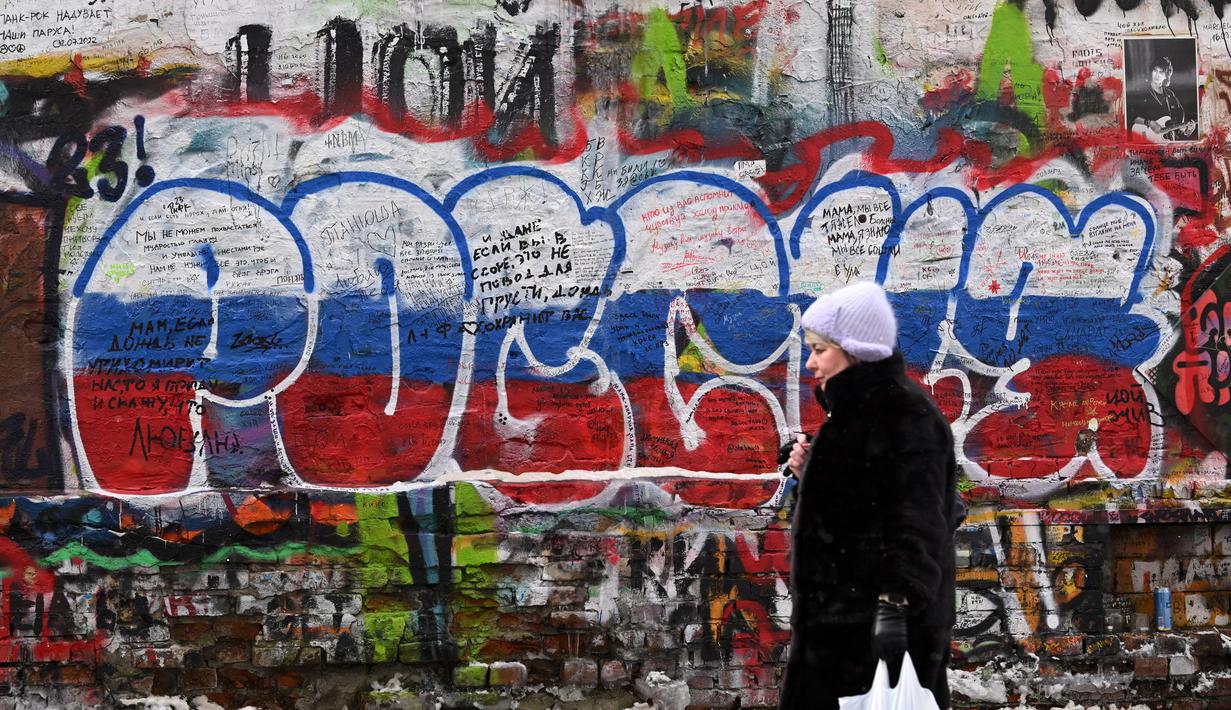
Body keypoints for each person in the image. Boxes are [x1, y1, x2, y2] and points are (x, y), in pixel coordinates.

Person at [778, 281, 958, 709]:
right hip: (835, 628)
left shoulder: (905, 415)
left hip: (872, 629)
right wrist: (810, 473)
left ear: (855, 352)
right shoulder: (854, 412)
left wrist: (894, 603)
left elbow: (919, 519)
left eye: (820, 350)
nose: (811, 363)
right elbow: (859, 507)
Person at [1127, 55, 1195, 142]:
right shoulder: (1141, 91)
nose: (1157, 75)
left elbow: (1178, 125)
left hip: (1166, 142)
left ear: (1166, 75)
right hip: (1145, 140)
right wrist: (1149, 123)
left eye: (1161, 72)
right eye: (1155, 70)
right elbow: (1130, 116)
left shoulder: (1170, 94)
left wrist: (1186, 131)